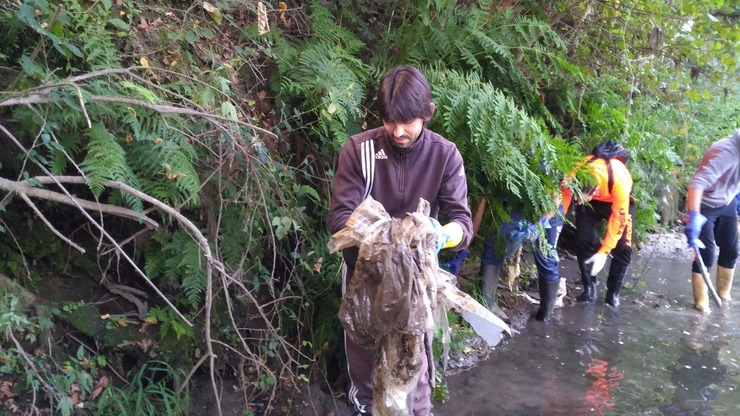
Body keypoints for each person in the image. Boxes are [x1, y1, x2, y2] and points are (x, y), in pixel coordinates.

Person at [326, 65, 473, 416]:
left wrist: (441, 236)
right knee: (363, 369)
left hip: (416, 285)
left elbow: (462, 222)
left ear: (427, 113)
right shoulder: (359, 150)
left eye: (407, 122)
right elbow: (338, 218)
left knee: (414, 373)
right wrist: (382, 239)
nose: (399, 131)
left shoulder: (445, 155)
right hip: (365, 279)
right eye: (391, 121)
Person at [560, 140, 633, 307]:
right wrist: (556, 219)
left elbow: (619, 220)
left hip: (616, 201)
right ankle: (589, 288)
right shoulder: (575, 172)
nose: (577, 202)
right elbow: (563, 196)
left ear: (595, 190)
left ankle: (612, 294)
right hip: (591, 205)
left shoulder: (619, 181)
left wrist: (604, 252)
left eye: (582, 197)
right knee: (583, 240)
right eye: (577, 196)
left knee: (623, 247)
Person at [683, 129, 740, 313]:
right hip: (705, 204)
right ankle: (702, 306)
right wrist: (693, 217)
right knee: (705, 255)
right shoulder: (727, 152)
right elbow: (697, 183)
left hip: (727, 201)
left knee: (731, 251)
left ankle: (723, 298)